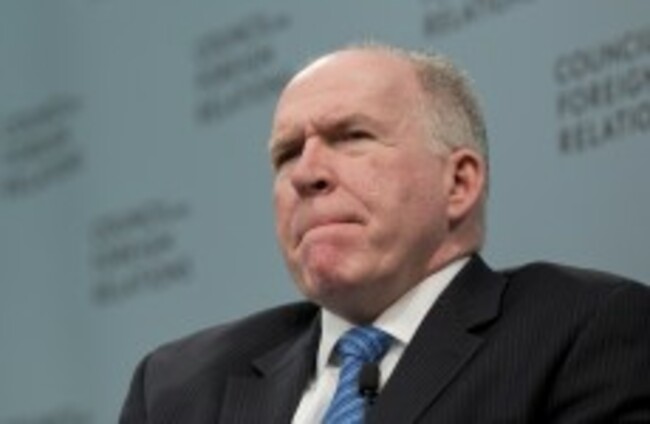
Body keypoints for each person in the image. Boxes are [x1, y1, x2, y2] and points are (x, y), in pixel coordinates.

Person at [119, 43, 650, 423]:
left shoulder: (583, 333)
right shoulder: (176, 389)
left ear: (459, 183)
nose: (306, 173)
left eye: (351, 136)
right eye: (287, 154)